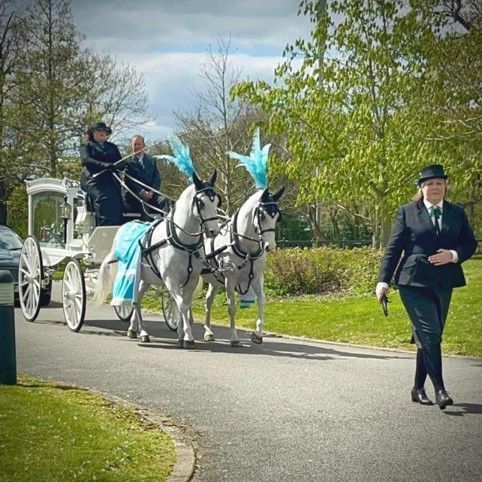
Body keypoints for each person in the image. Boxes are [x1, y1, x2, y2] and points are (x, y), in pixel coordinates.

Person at [376, 164, 477, 410]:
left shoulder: (456, 213)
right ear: (421, 188)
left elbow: (470, 243)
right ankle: (440, 389)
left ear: (445, 186)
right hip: (413, 281)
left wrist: (453, 255)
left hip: (444, 282)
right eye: (429, 184)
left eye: (439, 183)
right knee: (430, 334)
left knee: (430, 336)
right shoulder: (407, 212)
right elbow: (394, 249)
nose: (434, 187)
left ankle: (417, 388)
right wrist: (383, 280)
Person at [80, 121, 124, 226]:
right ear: (93, 133)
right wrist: (104, 165)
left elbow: (120, 162)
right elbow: (86, 160)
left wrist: (118, 166)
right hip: (94, 181)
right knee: (103, 199)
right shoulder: (86, 146)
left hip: (111, 182)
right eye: (99, 130)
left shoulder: (112, 147)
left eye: (104, 131)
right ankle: (104, 227)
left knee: (117, 202)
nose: (102, 133)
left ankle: (116, 226)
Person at [123, 134, 168, 220]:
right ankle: (147, 227)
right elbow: (129, 181)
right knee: (143, 202)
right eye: (135, 144)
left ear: (144, 145)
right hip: (135, 195)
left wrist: (152, 191)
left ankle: (167, 224)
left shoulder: (151, 160)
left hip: (152, 194)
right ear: (131, 146)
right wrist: (142, 192)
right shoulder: (127, 161)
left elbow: (157, 179)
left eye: (139, 144)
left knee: (164, 200)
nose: (137, 146)